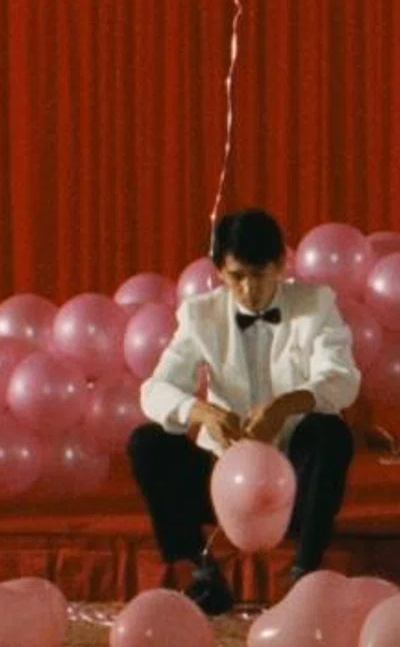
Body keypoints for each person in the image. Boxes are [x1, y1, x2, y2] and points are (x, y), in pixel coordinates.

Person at [129, 209, 362, 615]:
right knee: (147, 443)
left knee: (331, 432)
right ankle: (200, 572)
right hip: (223, 479)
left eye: (259, 275)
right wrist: (200, 412)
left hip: (293, 481)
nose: (249, 289)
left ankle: (304, 574)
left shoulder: (315, 303)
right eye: (237, 277)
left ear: (281, 266)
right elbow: (154, 389)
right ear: (220, 271)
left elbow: (343, 378)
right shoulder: (200, 313)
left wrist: (288, 404)